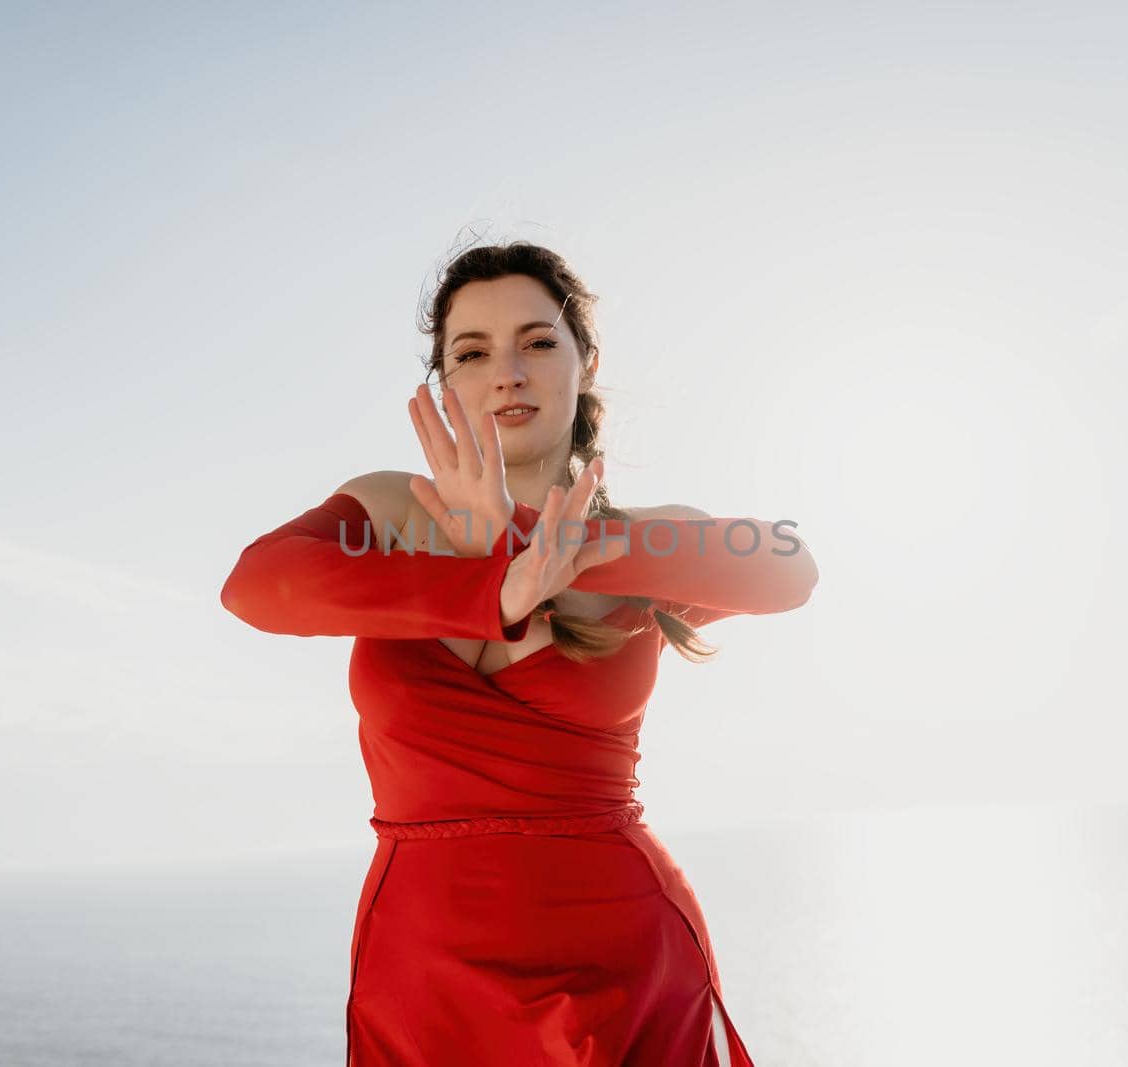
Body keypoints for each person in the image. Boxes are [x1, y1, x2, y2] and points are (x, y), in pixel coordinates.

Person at [220, 241, 818, 1066]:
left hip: (621, 957)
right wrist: (492, 583)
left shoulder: (638, 536)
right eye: (472, 352)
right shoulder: (387, 510)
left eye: (538, 342)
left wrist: (534, 540)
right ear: (443, 384)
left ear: (586, 363)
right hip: (424, 976)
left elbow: (788, 565)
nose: (508, 372)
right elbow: (254, 585)